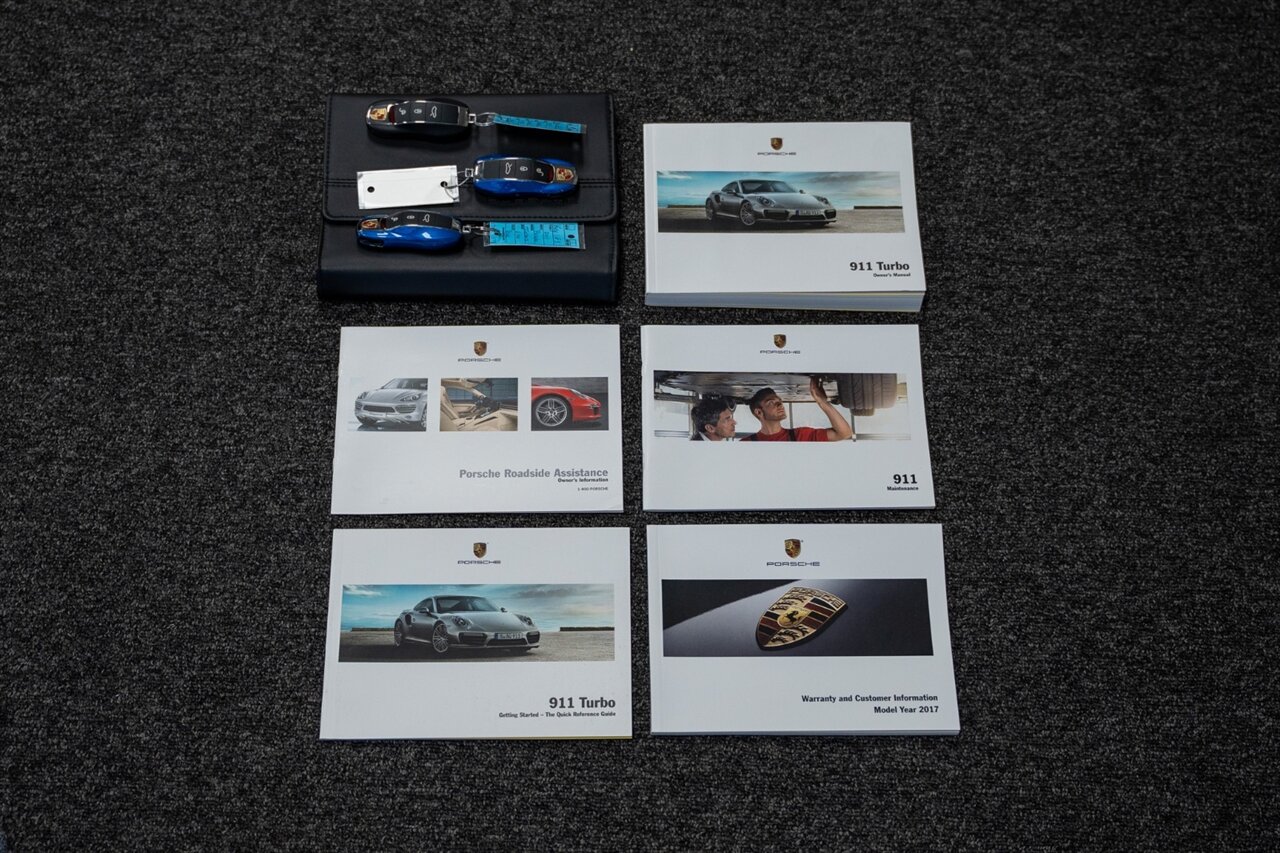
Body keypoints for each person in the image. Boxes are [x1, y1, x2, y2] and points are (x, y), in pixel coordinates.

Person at [741, 378, 853, 442]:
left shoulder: (800, 435)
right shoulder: (746, 444)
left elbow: (844, 433)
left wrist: (823, 402)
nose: (780, 404)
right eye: (771, 402)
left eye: (779, 400)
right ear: (759, 412)